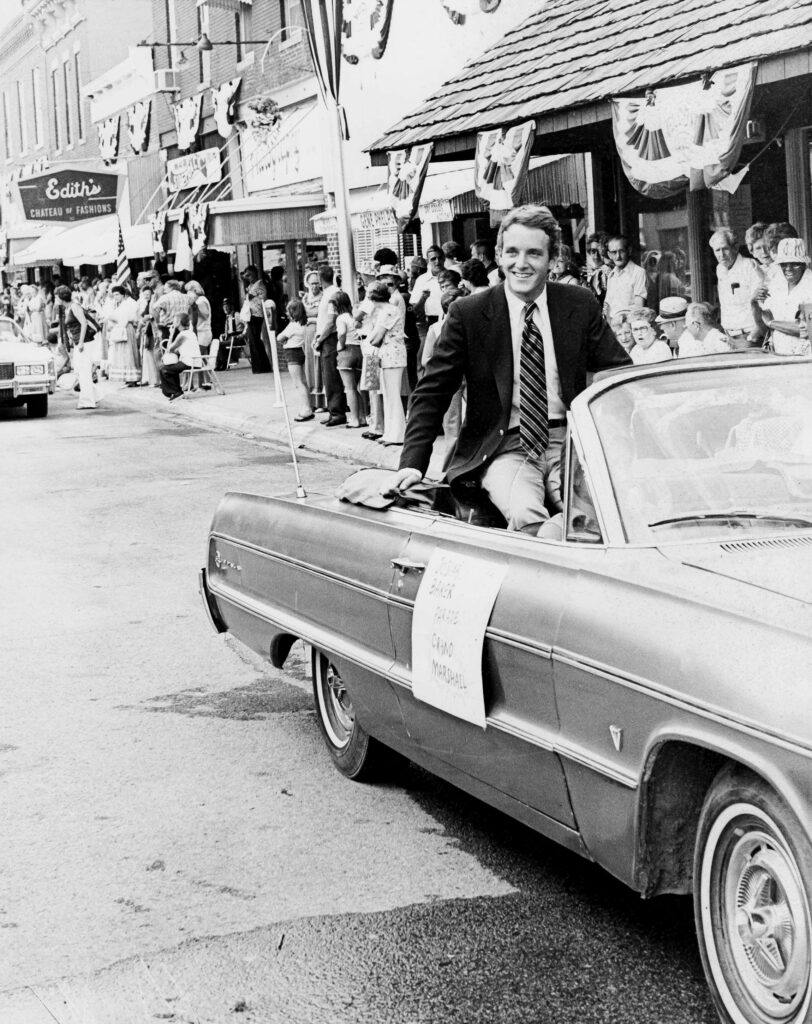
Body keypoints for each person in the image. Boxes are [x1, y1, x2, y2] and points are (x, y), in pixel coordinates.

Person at [392, 205, 630, 534]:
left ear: (552, 259)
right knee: (525, 513)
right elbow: (433, 390)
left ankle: (558, 536)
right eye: (513, 252)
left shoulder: (579, 303)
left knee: (596, 515)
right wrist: (412, 463)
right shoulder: (468, 313)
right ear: (499, 256)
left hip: (572, 444)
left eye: (534, 253)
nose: (522, 263)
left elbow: (618, 376)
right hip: (505, 447)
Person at [365, 281, 407, 446]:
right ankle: (390, 433)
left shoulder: (388, 311)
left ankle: (397, 435)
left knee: (393, 396)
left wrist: (370, 338)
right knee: (389, 396)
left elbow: (375, 338)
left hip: (392, 356)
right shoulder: (387, 310)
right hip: (389, 356)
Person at [756, 237, 812, 356]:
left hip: (805, 357)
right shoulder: (777, 283)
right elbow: (764, 322)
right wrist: (754, 303)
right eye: (784, 264)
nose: (788, 269)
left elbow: (808, 330)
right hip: (779, 352)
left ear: (804, 264)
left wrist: (772, 323)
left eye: (795, 264)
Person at [709, 227, 762, 347]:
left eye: (725, 249)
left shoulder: (750, 266)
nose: (721, 255)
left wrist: (754, 334)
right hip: (729, 337)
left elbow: (761, 302)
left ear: (735, 248)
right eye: (717, 250)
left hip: (748, 336)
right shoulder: (720, 269)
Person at [55, 284, 99, 410]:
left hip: (84, 341)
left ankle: (87, 401)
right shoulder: (68, 307)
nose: (56, 299)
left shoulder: (74, 306)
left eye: (56, 297)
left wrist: (80, 342)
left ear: (61, 297)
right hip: (78, 341)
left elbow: (83, 323)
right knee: (80, 370)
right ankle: (95, 395)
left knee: (84, 371)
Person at [314, 265, 346, 426]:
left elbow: (330, 321)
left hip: (330, 338)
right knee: (328, 376)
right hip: (327, 336)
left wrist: (320, 339)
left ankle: (337, 412)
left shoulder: (332, 294)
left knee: (331, 376)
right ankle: (333, 409)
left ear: (320, 279)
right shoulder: (330, 293)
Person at [277, 298, 315, 421]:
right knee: (303, 381)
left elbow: (279, 338)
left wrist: (284, 339)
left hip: (292, 353)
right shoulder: (304, 323)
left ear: (293, 312)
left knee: (298, 383)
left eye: (288, 311)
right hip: (300, 351)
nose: (287, 313)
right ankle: (308, 406)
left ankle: (306, 409)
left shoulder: (293, 325)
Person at [333, 289, 366, 429]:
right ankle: (362, 417)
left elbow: (342, 333)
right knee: (357, 387)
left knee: (349, 388)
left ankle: (354, 419)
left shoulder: (340, 318)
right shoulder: (353, 316)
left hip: (347, 351)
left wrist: (340, 345)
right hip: (359, 351)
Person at [604, 235, 647, 320]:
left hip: (630, 323)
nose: (618, 256)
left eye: (622, 251)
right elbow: (608, 306)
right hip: (613, 324)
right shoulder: (611, 276)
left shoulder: (638, 273)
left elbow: (639, 307)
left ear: (629, 251)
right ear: (609, 255)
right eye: (614, 252)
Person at [160, 312, 200, 401]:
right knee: (170, 368)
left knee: (164, 369)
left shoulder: (183, 335)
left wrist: (171, 334)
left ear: (179, 322)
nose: (173, 322)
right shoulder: (189, 333)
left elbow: (169, 349)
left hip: (190, 362)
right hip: (192, 361)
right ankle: (177, 392)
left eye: (175, 320)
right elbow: (176, 350)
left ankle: (176, 392)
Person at [240, 265, 272, 373]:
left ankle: (261, 366)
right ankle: (260, 366)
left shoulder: (258, 284)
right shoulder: (252, 285)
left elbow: (248, 296)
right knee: (254, 341)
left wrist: (244, 280)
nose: (248, 278)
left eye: (249, 275)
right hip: (252, 315)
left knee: (255, 341)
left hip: (256, 315)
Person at [107, 284, 140, 386]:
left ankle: (133, 378)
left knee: (128, 352)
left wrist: (114, 319)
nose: (115, 297)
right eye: (114, 295)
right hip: (120, 328)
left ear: (123, 295)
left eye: (117, 294)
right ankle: (127, 377)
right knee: (122, 353)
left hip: (126, 328)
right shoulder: (119, 305)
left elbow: (126, 318)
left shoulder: (128, 304)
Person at [185, 281, 212, 356]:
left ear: (195, 290)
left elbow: (205, 315)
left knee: (195, 358)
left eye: (189, 291)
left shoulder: (201, 300)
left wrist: (195, 306)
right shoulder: (198, 301)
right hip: (199, 335)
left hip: (202, 335)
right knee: (201, 358)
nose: (187, 294)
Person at [584, 233, 609, 306]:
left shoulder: (607, 271)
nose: (596, 255)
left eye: (599, 251)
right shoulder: (591, 272)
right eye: (593, 251)